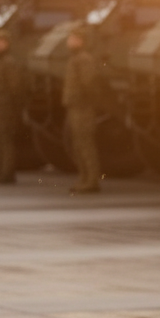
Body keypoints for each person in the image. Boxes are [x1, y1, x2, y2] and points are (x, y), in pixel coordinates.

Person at [62, 26, 101, 194]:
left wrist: (85, 102)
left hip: (82, 108)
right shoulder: (75, 59)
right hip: (75, 107)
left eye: (73, 39)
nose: (69, 42)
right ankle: (84, 178)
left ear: (80, 41)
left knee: (85, 145)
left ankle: (91, 180)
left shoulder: (83, 59)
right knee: (79, 145)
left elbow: (89, 84)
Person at [0, 29, 24, 184]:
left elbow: (15, 88)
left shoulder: (9, 63)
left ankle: (7, 173)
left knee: (6, 142)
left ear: (6, 44)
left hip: (5, 109)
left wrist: (13, 108)